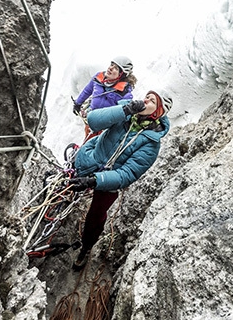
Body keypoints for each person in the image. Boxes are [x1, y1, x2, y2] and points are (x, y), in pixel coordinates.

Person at [67, 89, 173, 271]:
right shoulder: (125, 113)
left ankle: (86, 247)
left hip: (109, 180)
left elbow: (127, 174)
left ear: (158, 113)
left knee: (96, 215)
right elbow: (93, 120)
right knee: (65, 186)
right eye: (146, 97)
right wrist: (125, 111)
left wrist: (95, 180)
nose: (146, 100)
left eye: (152, 101)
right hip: (92, 159)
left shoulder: (151, 144)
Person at [72, 56, 137, 138]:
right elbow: (87, 90)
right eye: (112, 65)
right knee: (87, 141)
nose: (111, 68)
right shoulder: (98, 77)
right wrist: (78, 103)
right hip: (91, 120)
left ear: (121, 75)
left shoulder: (124, 92)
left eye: (116, 68)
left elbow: (123, 113)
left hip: (105, 128)